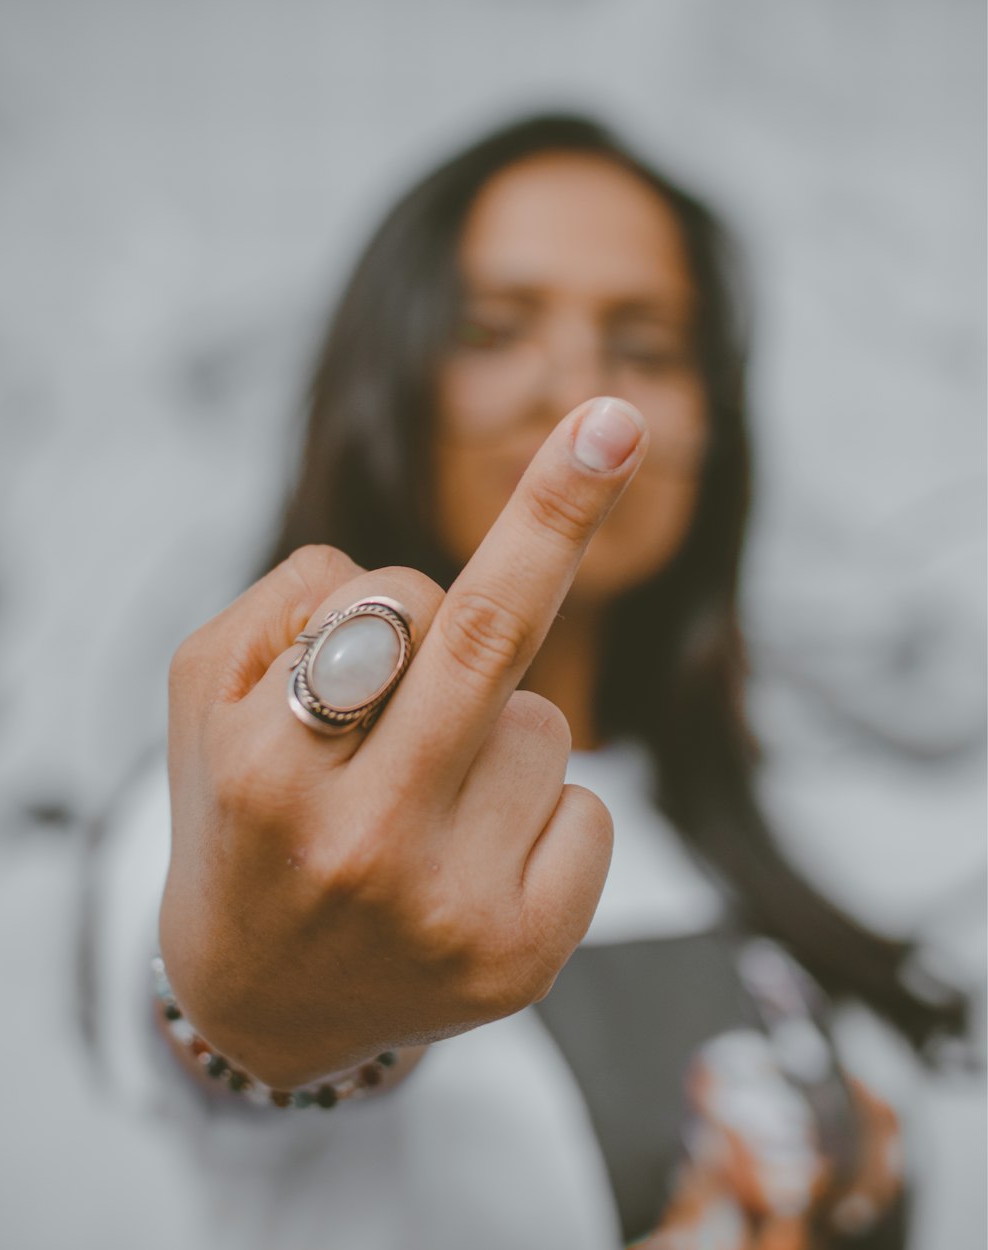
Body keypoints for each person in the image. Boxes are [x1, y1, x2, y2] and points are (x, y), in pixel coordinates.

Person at [93, 114, 968, 1250]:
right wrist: (251, 1019)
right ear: (385, 384)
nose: (572, 386)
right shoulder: (230, 792)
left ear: (711, 430)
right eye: (492, 330)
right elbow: (204, 1029)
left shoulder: (780, 814)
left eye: (646, 347)